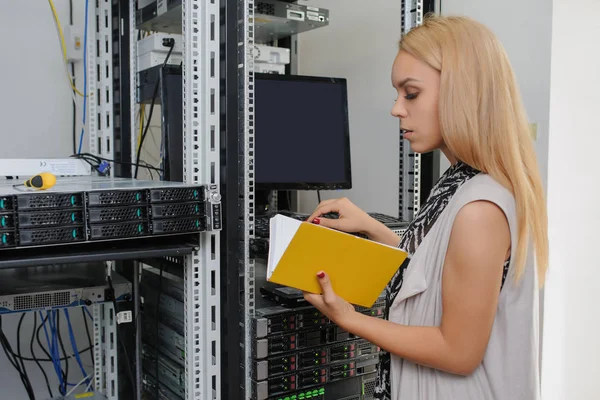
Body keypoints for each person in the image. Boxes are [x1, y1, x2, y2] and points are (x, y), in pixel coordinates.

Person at [303, 14, 548, 400]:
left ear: (462, 92)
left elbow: (458, 352)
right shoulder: (463, 179)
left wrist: (348, 318)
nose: (396, 109)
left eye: (411, 93)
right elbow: (437, 266)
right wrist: (372, 228)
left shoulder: (481, 208)